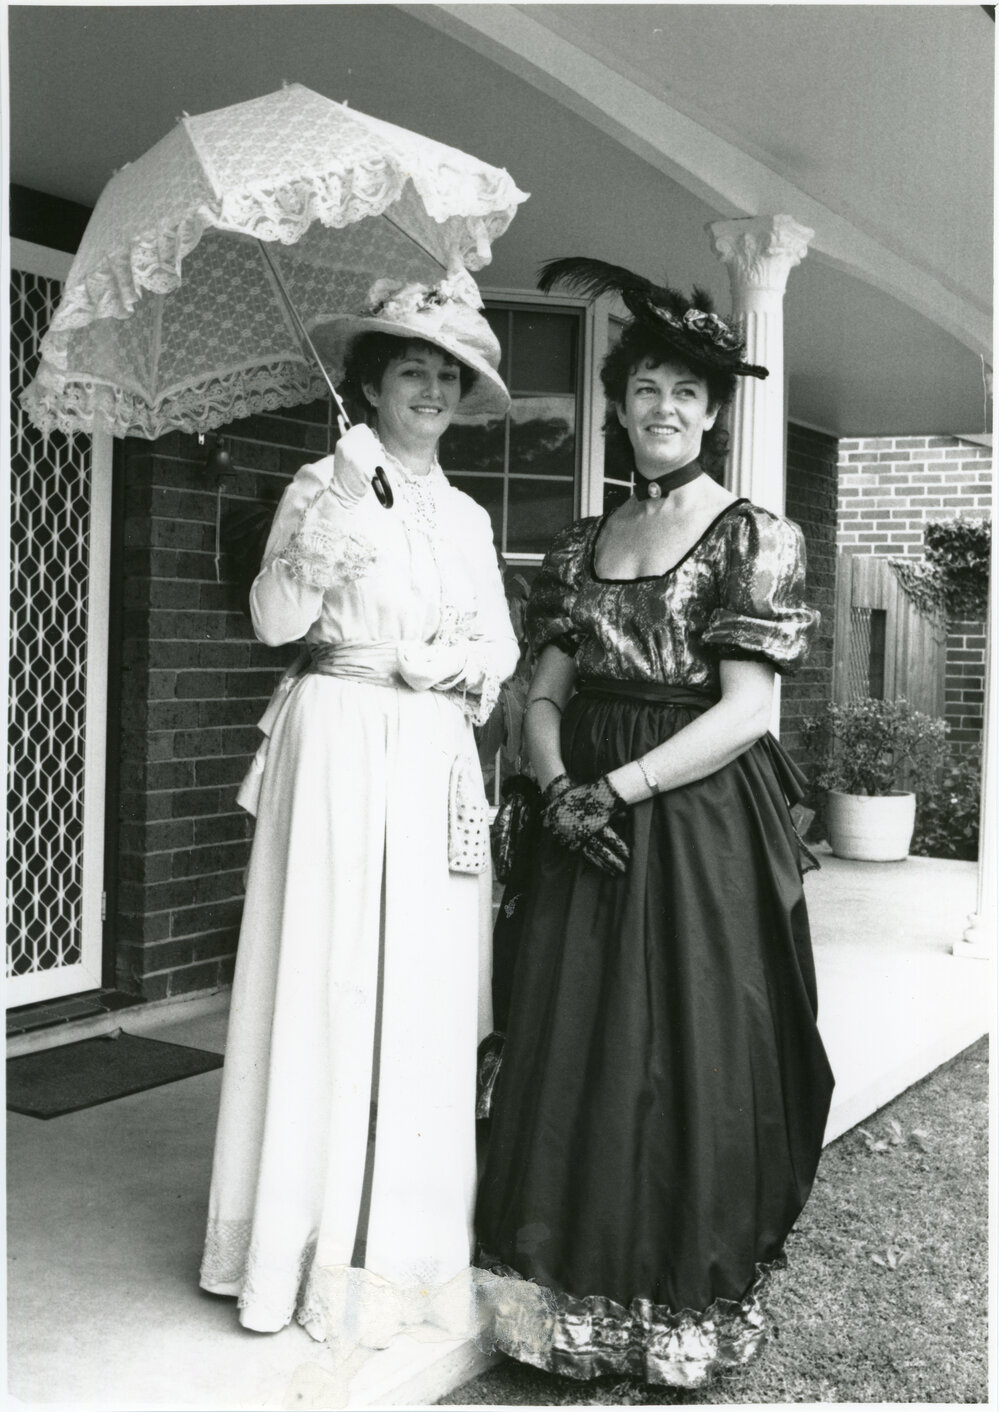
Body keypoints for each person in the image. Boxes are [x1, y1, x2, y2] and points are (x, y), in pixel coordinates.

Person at [475, 258, 835, 1387]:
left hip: (688, 822)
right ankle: (559, 1289)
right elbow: (543, 688)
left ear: (715, 409)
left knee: (680, 1041)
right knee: (569, 1029)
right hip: (577, 806)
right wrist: (550, 785)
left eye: (685, 390)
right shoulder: (584, 541)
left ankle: (672, 1300)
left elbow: (745, 710)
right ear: (619, 405)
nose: (663, 408)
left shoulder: (750, 536)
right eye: (644, 390)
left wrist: (613, 791)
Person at [199, 273, 520, 1352]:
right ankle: (301, 1248)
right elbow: (272, 617)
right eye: (409, 368)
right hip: (337, 737)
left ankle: (401, 1256)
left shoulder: (469, 516)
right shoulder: (321, 479)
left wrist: (462, 660)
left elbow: (503, 646)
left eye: (446, 373)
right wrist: (333, 506)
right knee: (332, 978)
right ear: (370, 382)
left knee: (423, 991)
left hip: (432, 751)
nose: (429, 387)